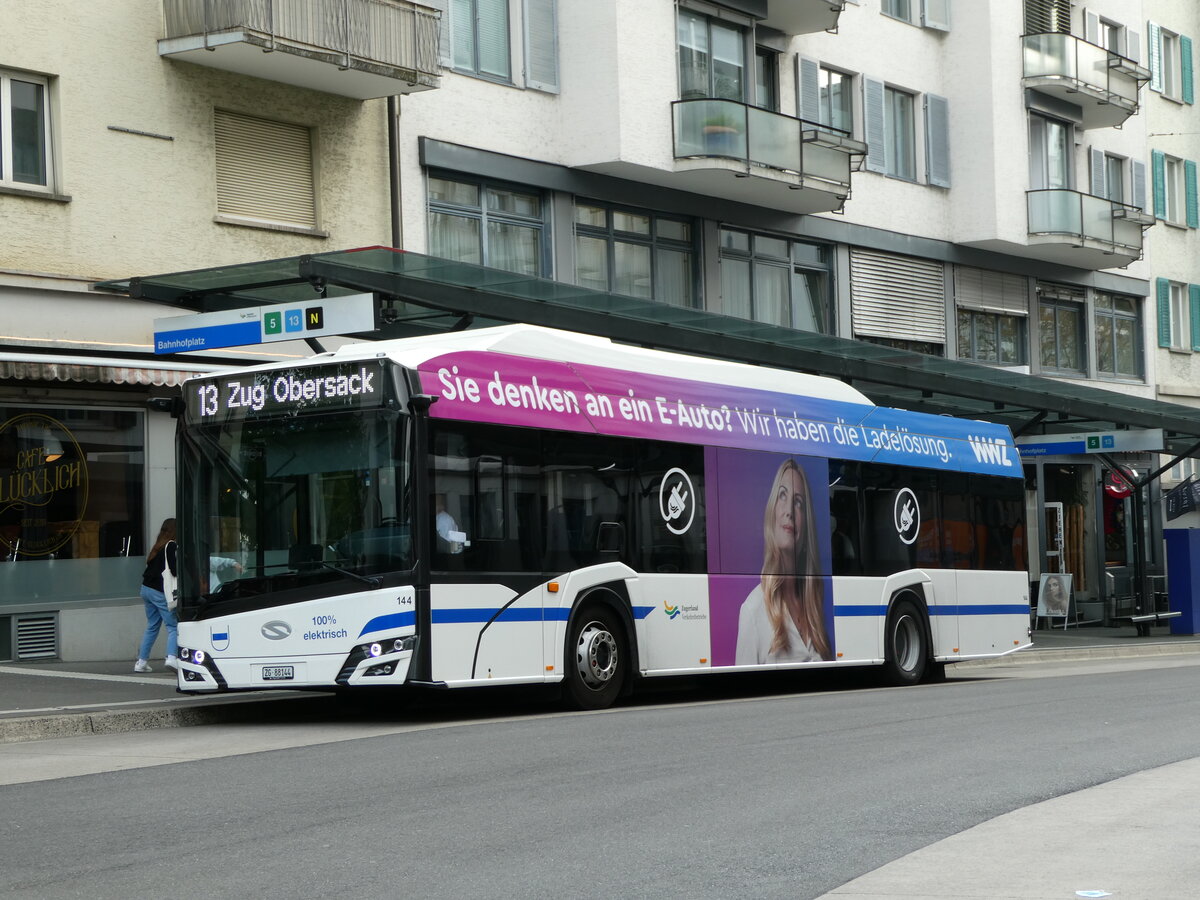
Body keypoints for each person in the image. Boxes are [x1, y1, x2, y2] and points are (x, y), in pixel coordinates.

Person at [736, 459, 832, 664]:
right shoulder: (753, 611)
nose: (789, 510)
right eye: (782, 495)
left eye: (798, 502)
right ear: (772, 513)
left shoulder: (815, 604)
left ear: (806, 523)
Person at [135, 517, 179, 673]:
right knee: (174, 626)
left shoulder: (158, 546)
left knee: (152, 626)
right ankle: (172, 658)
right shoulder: (171, 545)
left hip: (146, 589)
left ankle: (141, 662)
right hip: (159, 591)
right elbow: (173, 570)